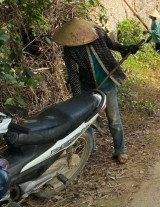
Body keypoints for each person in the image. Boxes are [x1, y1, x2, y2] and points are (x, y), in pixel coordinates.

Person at [53, 17, 140, 164]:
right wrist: (78, 99)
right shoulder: (70, 49)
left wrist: (127, 48)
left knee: (114, 119)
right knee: (86, 119)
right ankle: (90, 148)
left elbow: (112, 45)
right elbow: (73, 74)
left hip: (107, 84)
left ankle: (120, 150)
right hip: (87, 86)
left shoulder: (99, 35)